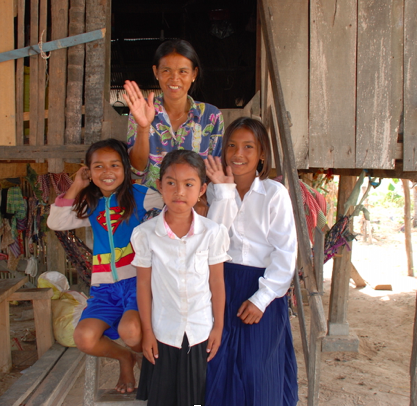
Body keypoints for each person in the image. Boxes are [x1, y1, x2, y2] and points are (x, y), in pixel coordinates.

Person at [47, 139, 163, 393]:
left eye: (114, 165)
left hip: (137, 283)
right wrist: (77, 184)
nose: (107, 172)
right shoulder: (90, 203)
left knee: (131, 331)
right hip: (104, 289)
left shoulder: (141, 196)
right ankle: (125, 357)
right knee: (84, 338)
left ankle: (145, 359)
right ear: (88, 171)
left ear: (125, 168)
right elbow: (56, 222)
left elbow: (172, 206)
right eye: (98, 166)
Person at [204, 117, 298, 406]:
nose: (238, 153)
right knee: (216, 362)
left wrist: (261, 299)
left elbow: (285, 253)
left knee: (257, 368)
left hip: (263, 287)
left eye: (248, 147)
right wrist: (224, 193)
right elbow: (214, 240)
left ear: (262, 153)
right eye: (231, 146)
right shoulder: (214, 191)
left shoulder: (274, 194)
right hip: (221, 283)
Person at [131, 150, 229, 406]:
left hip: (200, 332)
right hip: (163, 333)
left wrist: (218, 327)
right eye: (171, 183)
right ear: (159, 185)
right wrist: (147, 332)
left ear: (202, 189)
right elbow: (143, 285)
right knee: (164, 398)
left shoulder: (212, 233)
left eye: (189, 184)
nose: (179, 192)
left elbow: (217, 283)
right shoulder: (145, 234)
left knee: (197, 398)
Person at [123, 39, 224, 191]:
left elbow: (215, 171)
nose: (174, 78)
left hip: (196, 202)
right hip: (152, 201)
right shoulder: (142, 110)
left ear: (194, 74)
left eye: (183, 71)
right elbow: (137, 169)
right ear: (156, 72)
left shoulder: (211, 116)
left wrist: (200, 199)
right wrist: (144, 127)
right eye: (166, 70)